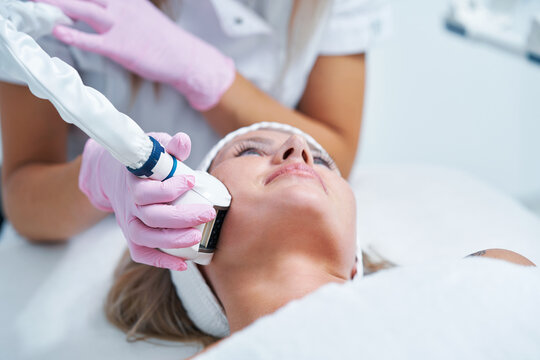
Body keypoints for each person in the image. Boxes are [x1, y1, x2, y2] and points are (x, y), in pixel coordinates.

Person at [0, 0, 385, 270]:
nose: (299, 147)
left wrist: (209, 76)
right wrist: (96, 179)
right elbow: (24, 199)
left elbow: (335, 152)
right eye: (249, 151)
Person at [97, 123, 536, 353]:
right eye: (249, 151)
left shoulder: (491, 271)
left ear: (354, 259)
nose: (298, 149)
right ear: (194, 237)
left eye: (323, 161)